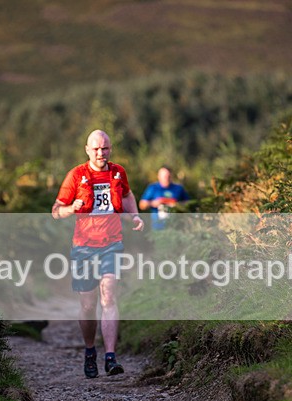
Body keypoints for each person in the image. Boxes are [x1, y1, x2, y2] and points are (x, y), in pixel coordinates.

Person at [52, 129, 144, 378]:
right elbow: (56, 210)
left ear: (110, 149)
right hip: (83, 246)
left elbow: (127, 194)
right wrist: (71, 208)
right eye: (96, 149)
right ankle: (90, 350)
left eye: (104, 148)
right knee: (88, 304)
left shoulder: (117, 172)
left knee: (108, 296)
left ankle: (110, 357)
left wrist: (134, 214)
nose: (100, 153)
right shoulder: (77, 174)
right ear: (87, 149)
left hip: (112, 243)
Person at [138, 165, 190, 229]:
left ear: (171, 176)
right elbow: (141, 205)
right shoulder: (153, 188)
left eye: (168, 176)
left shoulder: (179, 188)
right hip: (157, 226)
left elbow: (188, 203)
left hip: (175, 226)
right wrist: (153, 203)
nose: (166, 178)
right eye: (164, 176)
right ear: (159, 176)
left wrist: (177, 205)